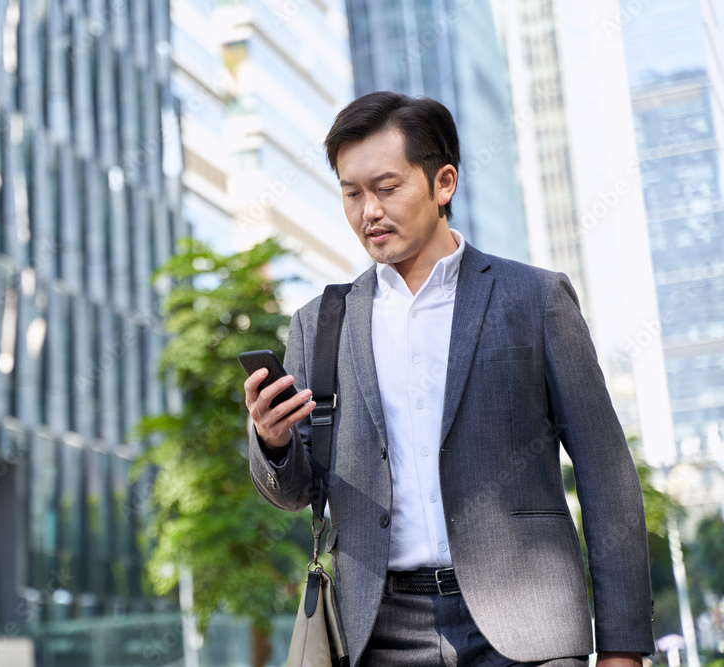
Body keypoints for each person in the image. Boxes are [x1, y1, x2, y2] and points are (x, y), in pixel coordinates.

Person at [244, 92, 654, 667]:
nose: (369, 212)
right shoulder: (321, 323)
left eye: (387, 189)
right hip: (379, 632)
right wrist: (273, 441)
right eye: (351, 193)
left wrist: (623, 647)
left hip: (529, 626)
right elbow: (297, 494)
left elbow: (607, 476)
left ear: (443, 184)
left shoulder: (535, 299)